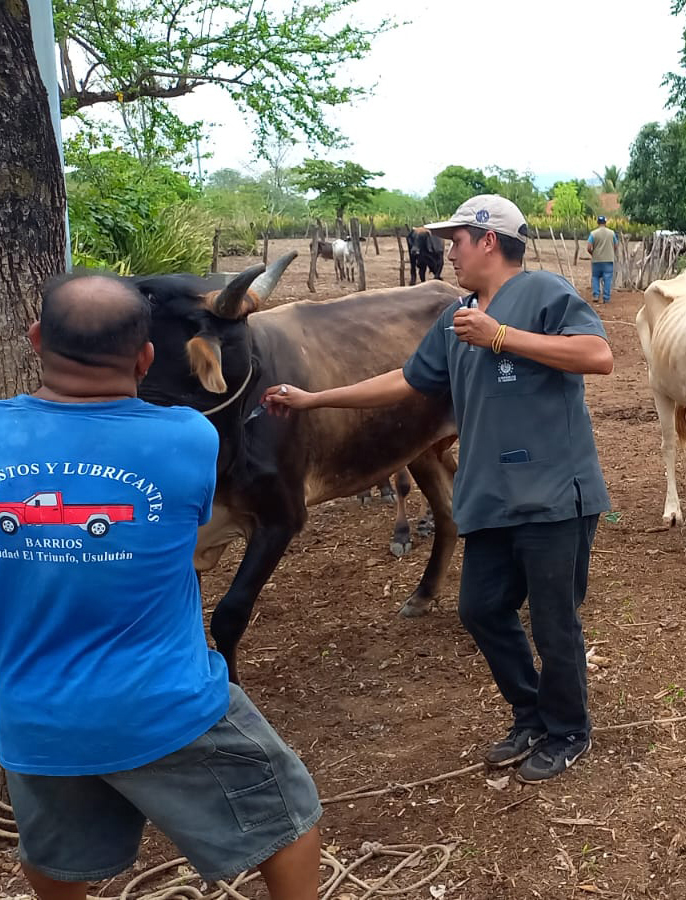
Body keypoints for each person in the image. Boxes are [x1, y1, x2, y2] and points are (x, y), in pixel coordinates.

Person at [0, 274, 322, 900]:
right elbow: (197, 520)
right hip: (164, 706)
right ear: (146, 358)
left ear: (36, 339)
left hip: (32, 711)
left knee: (52, 856)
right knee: (292, 821)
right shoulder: (188, 436)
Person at [262, 194, 613, 783]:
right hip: (491, 494)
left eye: (456, 241)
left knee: (554, 621)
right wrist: (315, 398)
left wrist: (501, 336)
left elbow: (597, 356)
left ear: (489, 241)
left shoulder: (544, 294)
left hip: (554, 492)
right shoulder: (457, 317)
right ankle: (530, 713)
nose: (448, 253)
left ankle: (569, 730)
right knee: (480, 609)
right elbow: (406, 380)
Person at [586, 215, 619, 303]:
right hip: (608, 260)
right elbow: (616, 245)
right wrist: (610, 252)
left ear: (597, 223)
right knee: (607, 279)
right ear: (605, 223)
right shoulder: (611, 233)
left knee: (595, 277)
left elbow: (589, 247)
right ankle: (606, 298)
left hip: (596, 260)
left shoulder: (593, 233)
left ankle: (596, 295)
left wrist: (592, 253)